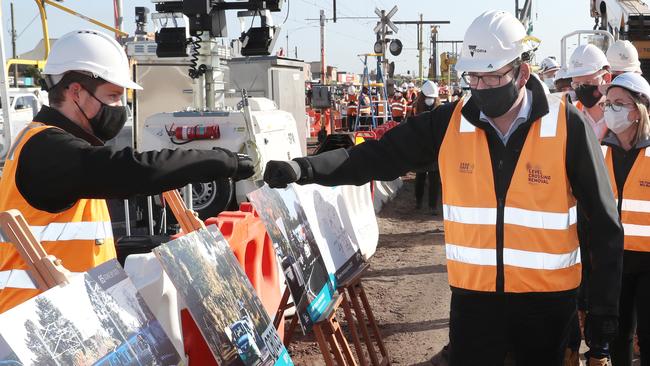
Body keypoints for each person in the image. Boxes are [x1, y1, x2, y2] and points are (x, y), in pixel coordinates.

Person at [263, 10, 623, 365]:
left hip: (547, 310)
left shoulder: (566, 126)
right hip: (474, 308)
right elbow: (378, 156)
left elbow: (603, 226)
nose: (479, 88)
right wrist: (304, 168)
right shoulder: (449, 122)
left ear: (522, 72)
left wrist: (602, 319)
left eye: (491, 78)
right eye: (473, 78)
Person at [0, 30, 254, 313]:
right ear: (76, 92)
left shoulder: (49, 143)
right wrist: (219, 161)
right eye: (113, 96)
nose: (121, 109)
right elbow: (132, 171)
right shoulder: (47, 148)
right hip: (31, 331)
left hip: (59, 319)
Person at [599, 72, 650, 366]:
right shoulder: (600, 151)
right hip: (614, 260)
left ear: (637, 110)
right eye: (608, 103)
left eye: (619, 103)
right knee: (617, 334)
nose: (610, 109)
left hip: (648, 260)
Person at [565, 44, 612, 141]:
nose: (582, 89)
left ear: (606, 78)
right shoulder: (569, 116)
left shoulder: (621, 116)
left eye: (588, 83)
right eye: (577, 84)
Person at [413, 80, 441, 213]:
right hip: (421, 149)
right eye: (428, 98)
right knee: (420, 177)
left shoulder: (440, 110)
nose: (430, 100)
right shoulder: (416, 109)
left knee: (434, 180)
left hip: (434, 151)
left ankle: (432, 206)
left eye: (432, 98)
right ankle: (419, 202)